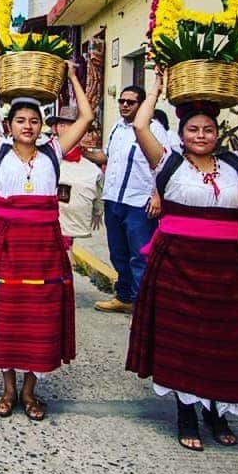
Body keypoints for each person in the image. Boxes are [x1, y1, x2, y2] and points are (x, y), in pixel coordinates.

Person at [126, 67, 238, 451]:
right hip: (177, 266)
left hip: (224, 271)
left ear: (217, 134)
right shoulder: (168, 163)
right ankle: (186, 413)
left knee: (221, 342)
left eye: (208, 130)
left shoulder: (235, 165)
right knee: (183, 340)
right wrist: (157, 88)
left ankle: (216, 413)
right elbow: (141, 125)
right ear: (181, 136)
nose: (201, 135)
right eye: (193, 130)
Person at [0, 56, 94, 420]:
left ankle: (30, 392)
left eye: (34, 121)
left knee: (40, 317)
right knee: (7, 316)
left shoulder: (53, 151)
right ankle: (8, 390)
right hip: (7, 246)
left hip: (44, 247)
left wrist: (71, 77)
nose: (28, 126)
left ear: (42, 126)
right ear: (9, 125)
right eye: (21, 120)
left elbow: (85, 118)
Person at [84, 85, 165, 313]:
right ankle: (124, 297)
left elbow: (164, 165)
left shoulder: (155, 130)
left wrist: (157, 195)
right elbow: (106, 156)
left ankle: (142, 307)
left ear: (142, 105)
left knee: (140, 256)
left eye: (130, 102)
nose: (124, 105)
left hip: (139, 203)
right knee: (118, 253)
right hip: (114, 200)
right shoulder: (117, 128)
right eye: (122, 101)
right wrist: (84, 153)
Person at [47, 106, 104, 245]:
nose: (66, 129)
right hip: (44, 227)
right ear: (55, 128)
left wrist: (98, 212)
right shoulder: (44, 159)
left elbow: (99, 196)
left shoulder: (91, 170)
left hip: (74, 230)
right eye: (61, 124)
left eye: (72, 125)